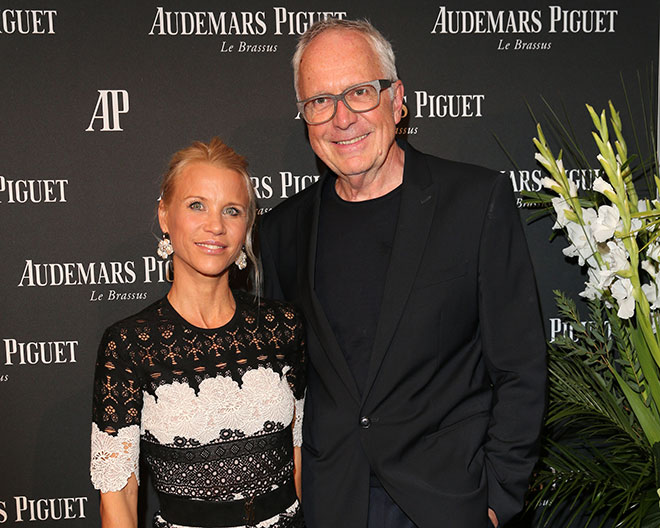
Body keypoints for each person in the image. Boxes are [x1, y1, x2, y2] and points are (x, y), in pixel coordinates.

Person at [259, 19, 546, 528]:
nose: (341, 118)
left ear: (397, 100)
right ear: (305, 118)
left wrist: (497, 499)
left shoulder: (474, 203)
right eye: (319, 101)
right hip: (332, 505)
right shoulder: (281, 232)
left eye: (360, 92)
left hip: (447, 502)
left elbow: (520, 367)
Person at [90, 138, 305, 528]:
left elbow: (302, 453)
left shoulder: (282, 326)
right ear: (164, 216)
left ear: (247, 226)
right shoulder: (129, 345)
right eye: (196, 205)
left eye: (232, 210)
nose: (216, 226)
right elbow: (118, 495)